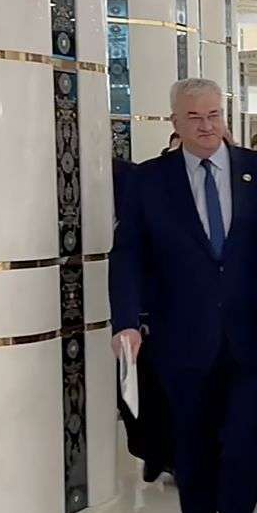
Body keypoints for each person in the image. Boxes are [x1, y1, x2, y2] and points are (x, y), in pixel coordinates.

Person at [110, 78, 257, 513]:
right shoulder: (149, 180)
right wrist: (126, 321)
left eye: (213, 115)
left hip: (252, 336)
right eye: (194, 118)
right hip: (181, 338)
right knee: (192, 444)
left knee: (245, 443)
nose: (206, 127)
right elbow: (128, 256)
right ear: (175, 122)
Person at [112, 156, 176, 484]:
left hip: (155, 304)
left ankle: (165, 453)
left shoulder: (129, 175)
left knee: (156, 387)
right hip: (115, 305)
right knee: (132, 387)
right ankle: (151, 450)